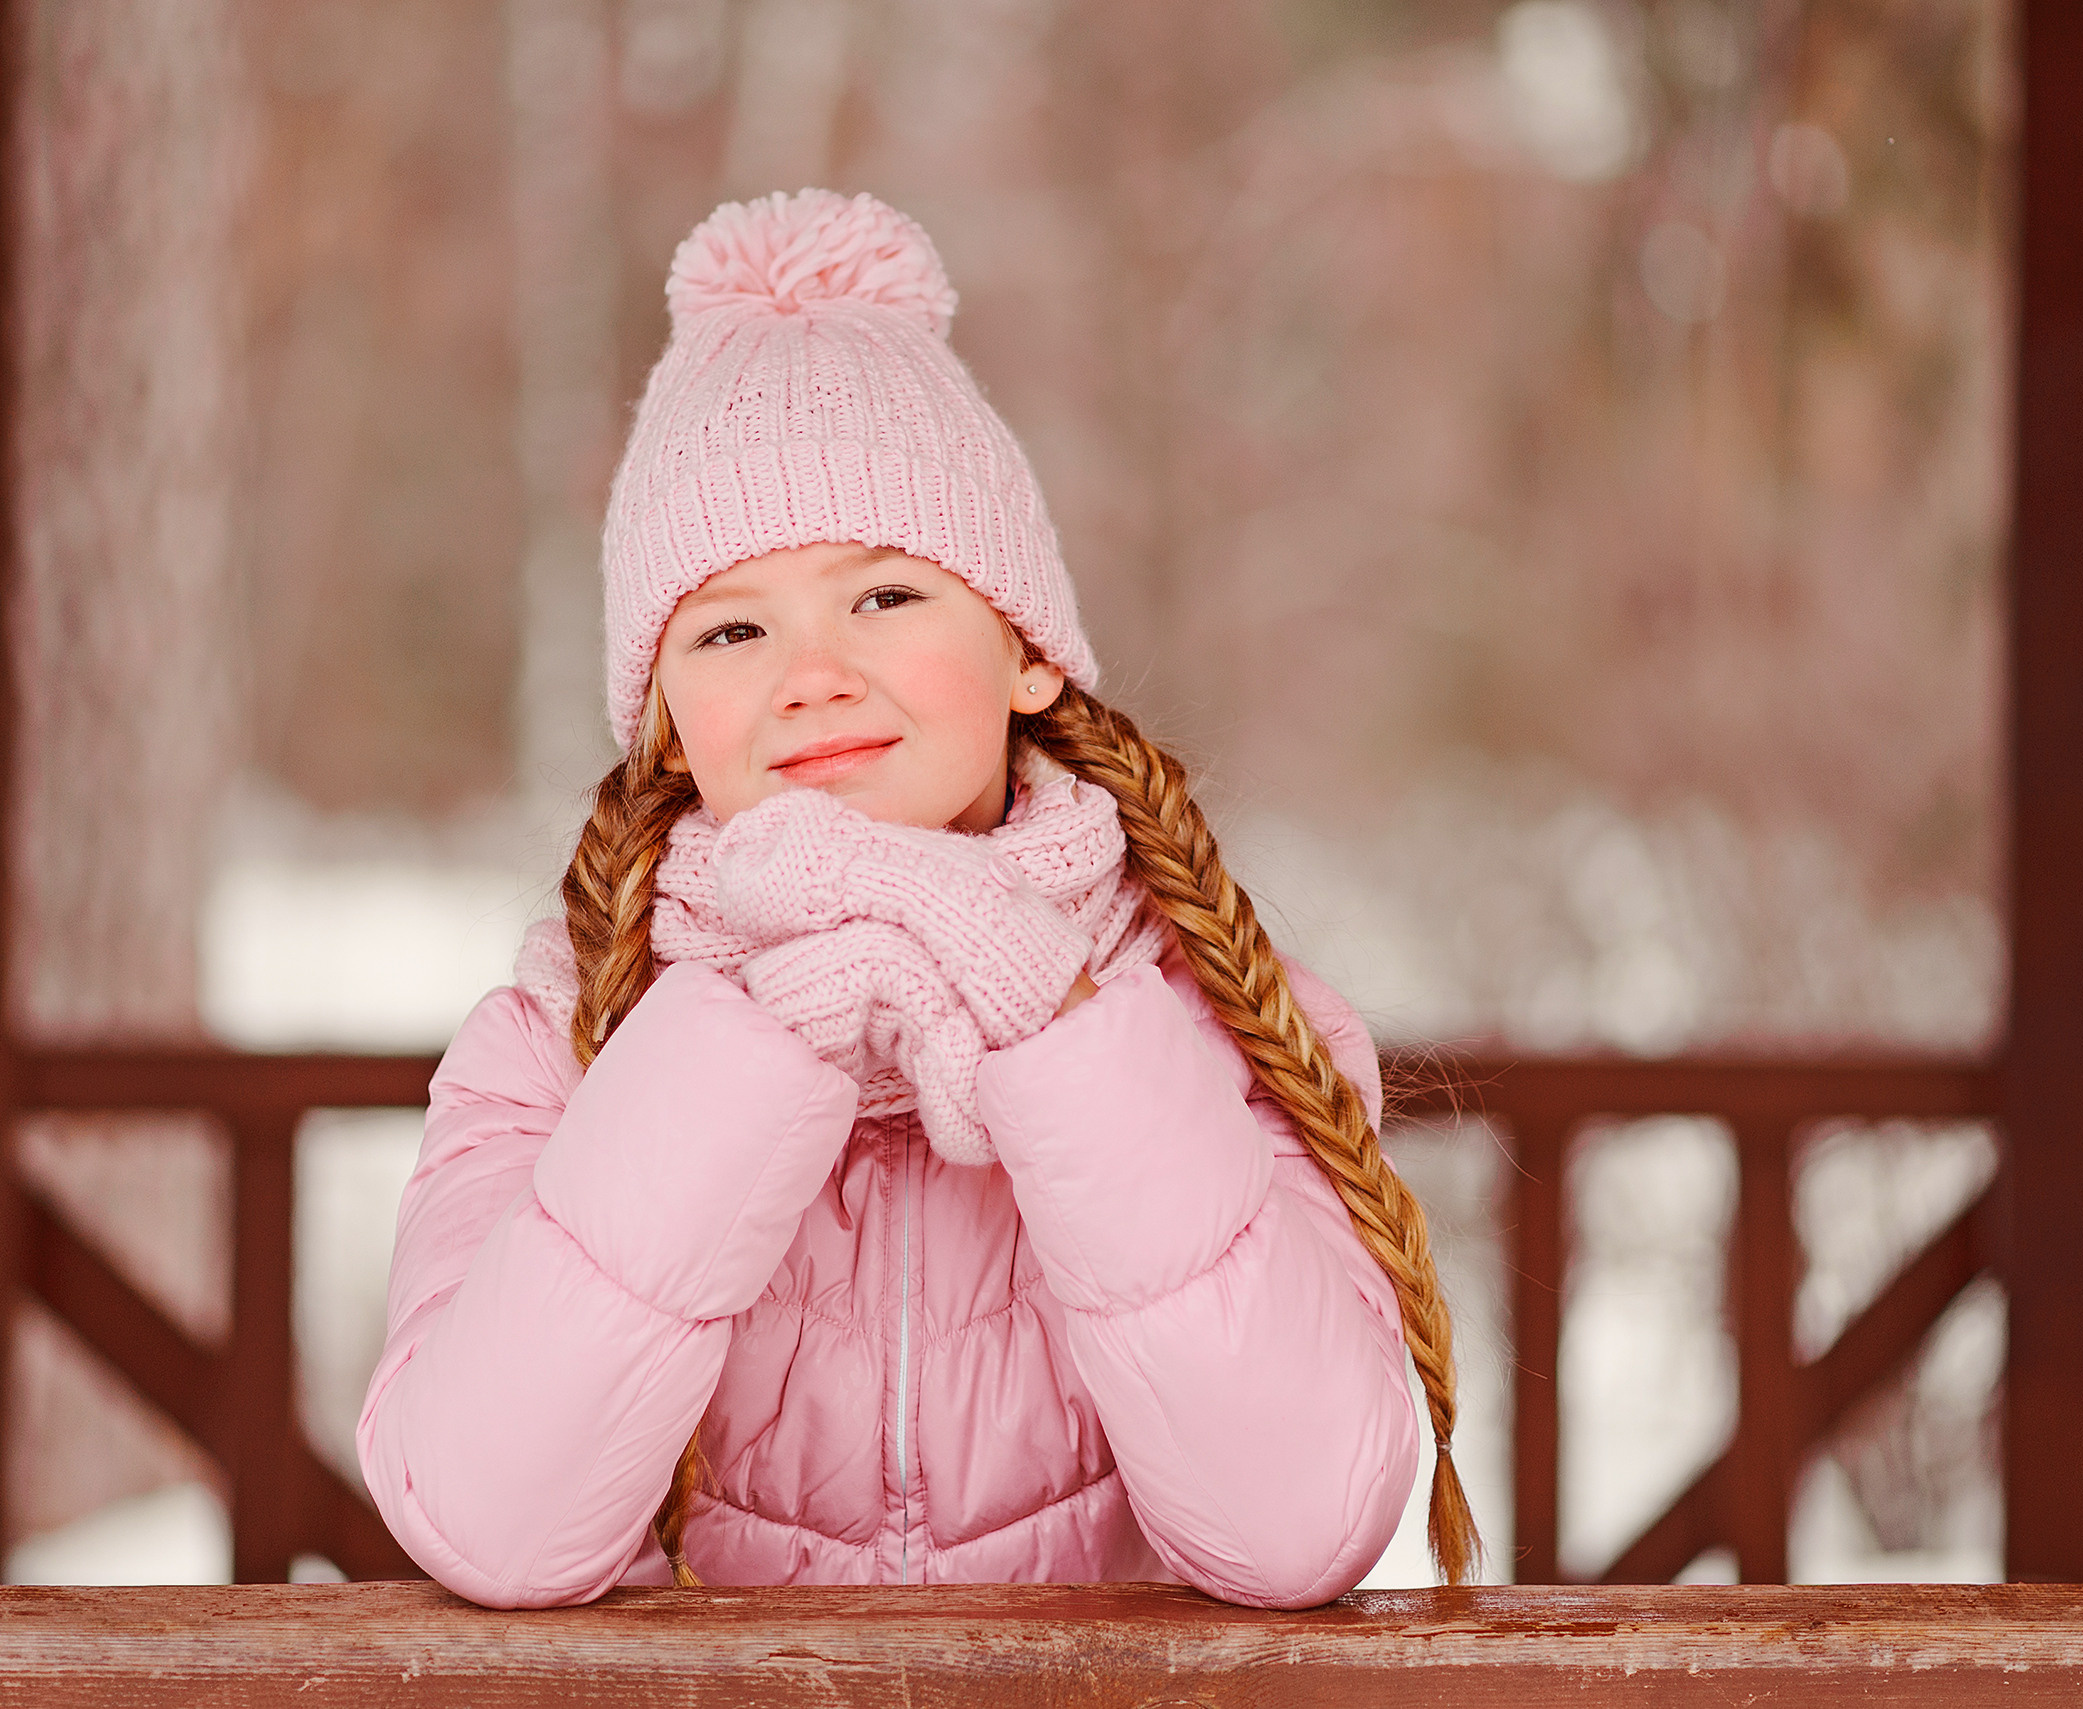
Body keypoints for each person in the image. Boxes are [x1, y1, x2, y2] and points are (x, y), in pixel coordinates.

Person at [357, 188, 1477, 1609]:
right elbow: (487, 1521)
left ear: (1028, 656)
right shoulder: (554, 1047)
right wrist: (748, 1039)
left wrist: (1051, 1024)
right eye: (731, 625)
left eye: (884, 596)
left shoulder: (1222, 1018)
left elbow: (1301, 1519)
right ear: (665, 719)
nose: (812, 671)